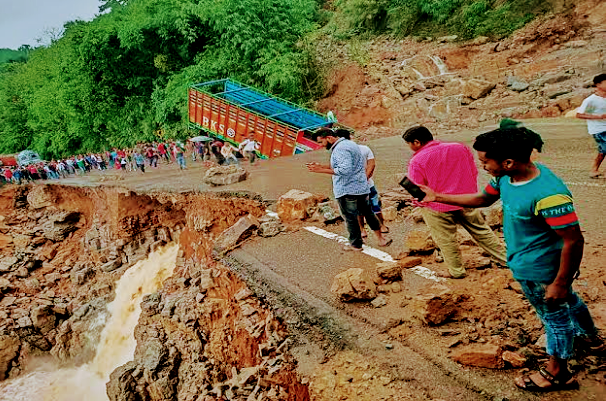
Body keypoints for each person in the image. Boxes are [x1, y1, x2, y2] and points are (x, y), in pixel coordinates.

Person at [419, 127, 603, 392]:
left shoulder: (549, 194)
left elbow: (573, 240)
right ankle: (591, 339)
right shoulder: (507, 178)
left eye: (485, 161)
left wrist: (560, 282)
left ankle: (558, 373)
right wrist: (437, 196)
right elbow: (483, 199)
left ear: (508, 162)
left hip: (540, 270)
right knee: (569, 303)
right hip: (531, 264)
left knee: (554, 318)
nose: (482, 166)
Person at [403, 126, 506, 279]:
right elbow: (474, 171)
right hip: (467, 200)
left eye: (409, 144)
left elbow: (418, 188)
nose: (410, 148)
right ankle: (506, 260)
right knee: (482, 231)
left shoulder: (417, 160)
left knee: (446, 239)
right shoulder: (459, 147)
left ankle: (456, 271)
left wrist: (418, 204)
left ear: (416, 142)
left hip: (437, 206)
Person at [307, 128, 392, 251]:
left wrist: (320, 170)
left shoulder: (340, 149)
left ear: (329, 138)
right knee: (368, 213)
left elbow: (345, 170)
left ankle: (356, 245)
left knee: (350, 218)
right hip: (361, 187)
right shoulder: (350, 144)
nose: (320, 146)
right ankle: (381, 239)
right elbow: (345, 165)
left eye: (321, 142)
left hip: (347, 189)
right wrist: (321, 166)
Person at [335, 130, 389, 236]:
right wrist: (365, 178)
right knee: (375, 206)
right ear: (350, 137)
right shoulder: (364, 148)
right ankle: (381, 226)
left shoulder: (339, 153)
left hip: (352, 188)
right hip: (368, 184)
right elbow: (372, 165)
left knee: (358, 210)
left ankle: (362, 230)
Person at [576, 73, 606, 178]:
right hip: (598, 130)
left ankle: (594, 170)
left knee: (603, 151)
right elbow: (579, 114)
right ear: (598, 85)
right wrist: (599, 117)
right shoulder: (590, 100)